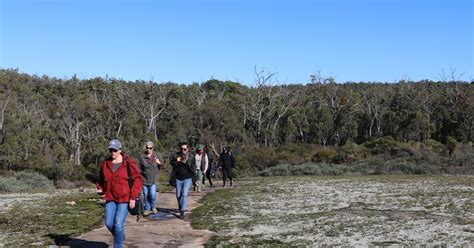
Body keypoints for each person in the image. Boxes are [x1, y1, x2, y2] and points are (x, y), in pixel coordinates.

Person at [97, 139, 142, 248]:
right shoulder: (105, 164)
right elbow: (100, 179)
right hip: (110, 197)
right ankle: (120, 236)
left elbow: (137, 180)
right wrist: (100, 188)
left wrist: (133, 197)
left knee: (118, 224)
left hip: (124, 198)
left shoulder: (129, 163)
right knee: (108, 223)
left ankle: (118, 245)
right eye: (111, 150)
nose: (113, 152)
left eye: (115, 150)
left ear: (120, 150)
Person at [138, 141, 163, 216]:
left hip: (153, 179)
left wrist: (159, 163)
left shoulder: (157, 155)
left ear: (153, 148)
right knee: (146, 194)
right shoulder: (142, 157)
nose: (148, 149)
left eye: (150, 148)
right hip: (144, 179)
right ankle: (147, 209)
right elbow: (138, 167)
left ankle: (153, 206)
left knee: (152, 194)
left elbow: (163, 164)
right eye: (147, 148)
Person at [170, 142, 194, 219]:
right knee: (178, 195)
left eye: (185, 149)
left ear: (187, 149)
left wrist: (196, 179)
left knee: (184, 194)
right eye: (182, 149)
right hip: (178, 178)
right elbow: (171, 163)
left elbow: (193, 168)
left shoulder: (190, 156)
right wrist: (177, 161)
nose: (183, 150)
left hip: (187, 178)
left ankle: (182, 212)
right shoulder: (177, 155)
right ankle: (180, 207)